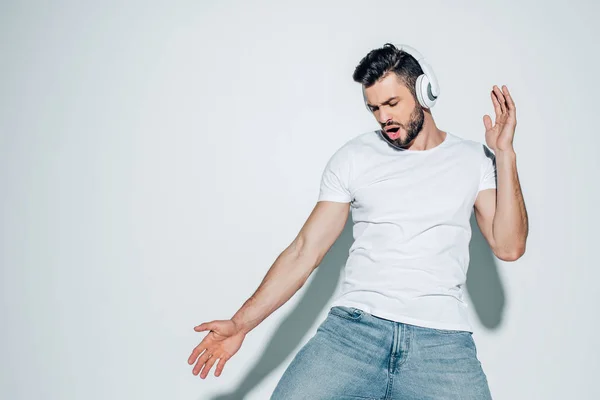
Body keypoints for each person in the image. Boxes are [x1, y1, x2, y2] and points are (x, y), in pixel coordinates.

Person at [187, 43, 529, 399]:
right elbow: (305, 251)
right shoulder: (354, 157)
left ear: (425, 92)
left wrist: (505, 154)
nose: (384, 118)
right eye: (374, 108)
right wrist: (241, 323)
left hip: (441, 340)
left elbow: (510, 246)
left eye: (392, 104)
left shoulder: (473, 159)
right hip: (354, 333)